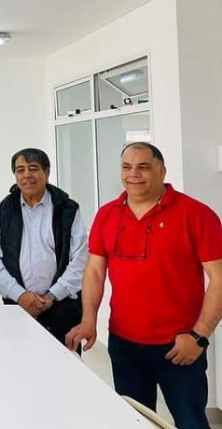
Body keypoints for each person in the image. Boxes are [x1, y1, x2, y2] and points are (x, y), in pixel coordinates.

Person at [66, 142, 222, 428]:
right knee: (134, 421)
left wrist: (199, 337)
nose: (133, 174)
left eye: (143, 167)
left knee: (191, 422)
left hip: (180, 345)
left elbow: (220, 278)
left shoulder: (195, 214)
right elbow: (95, 272)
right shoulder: (107, 214)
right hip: (125, 345)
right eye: (127, 167)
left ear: (162, 171)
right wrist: (89, 320)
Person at [0, 148, 87, 347]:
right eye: (20, 170)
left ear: (46, 173)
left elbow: (80, 259)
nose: (26, 175)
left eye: (33, 169)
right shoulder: (1, 210)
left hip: (62, 305)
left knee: (63, 362)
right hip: (17, 306)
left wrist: (52, 296)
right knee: (19, 361)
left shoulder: (68, 209)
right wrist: (20, 295)